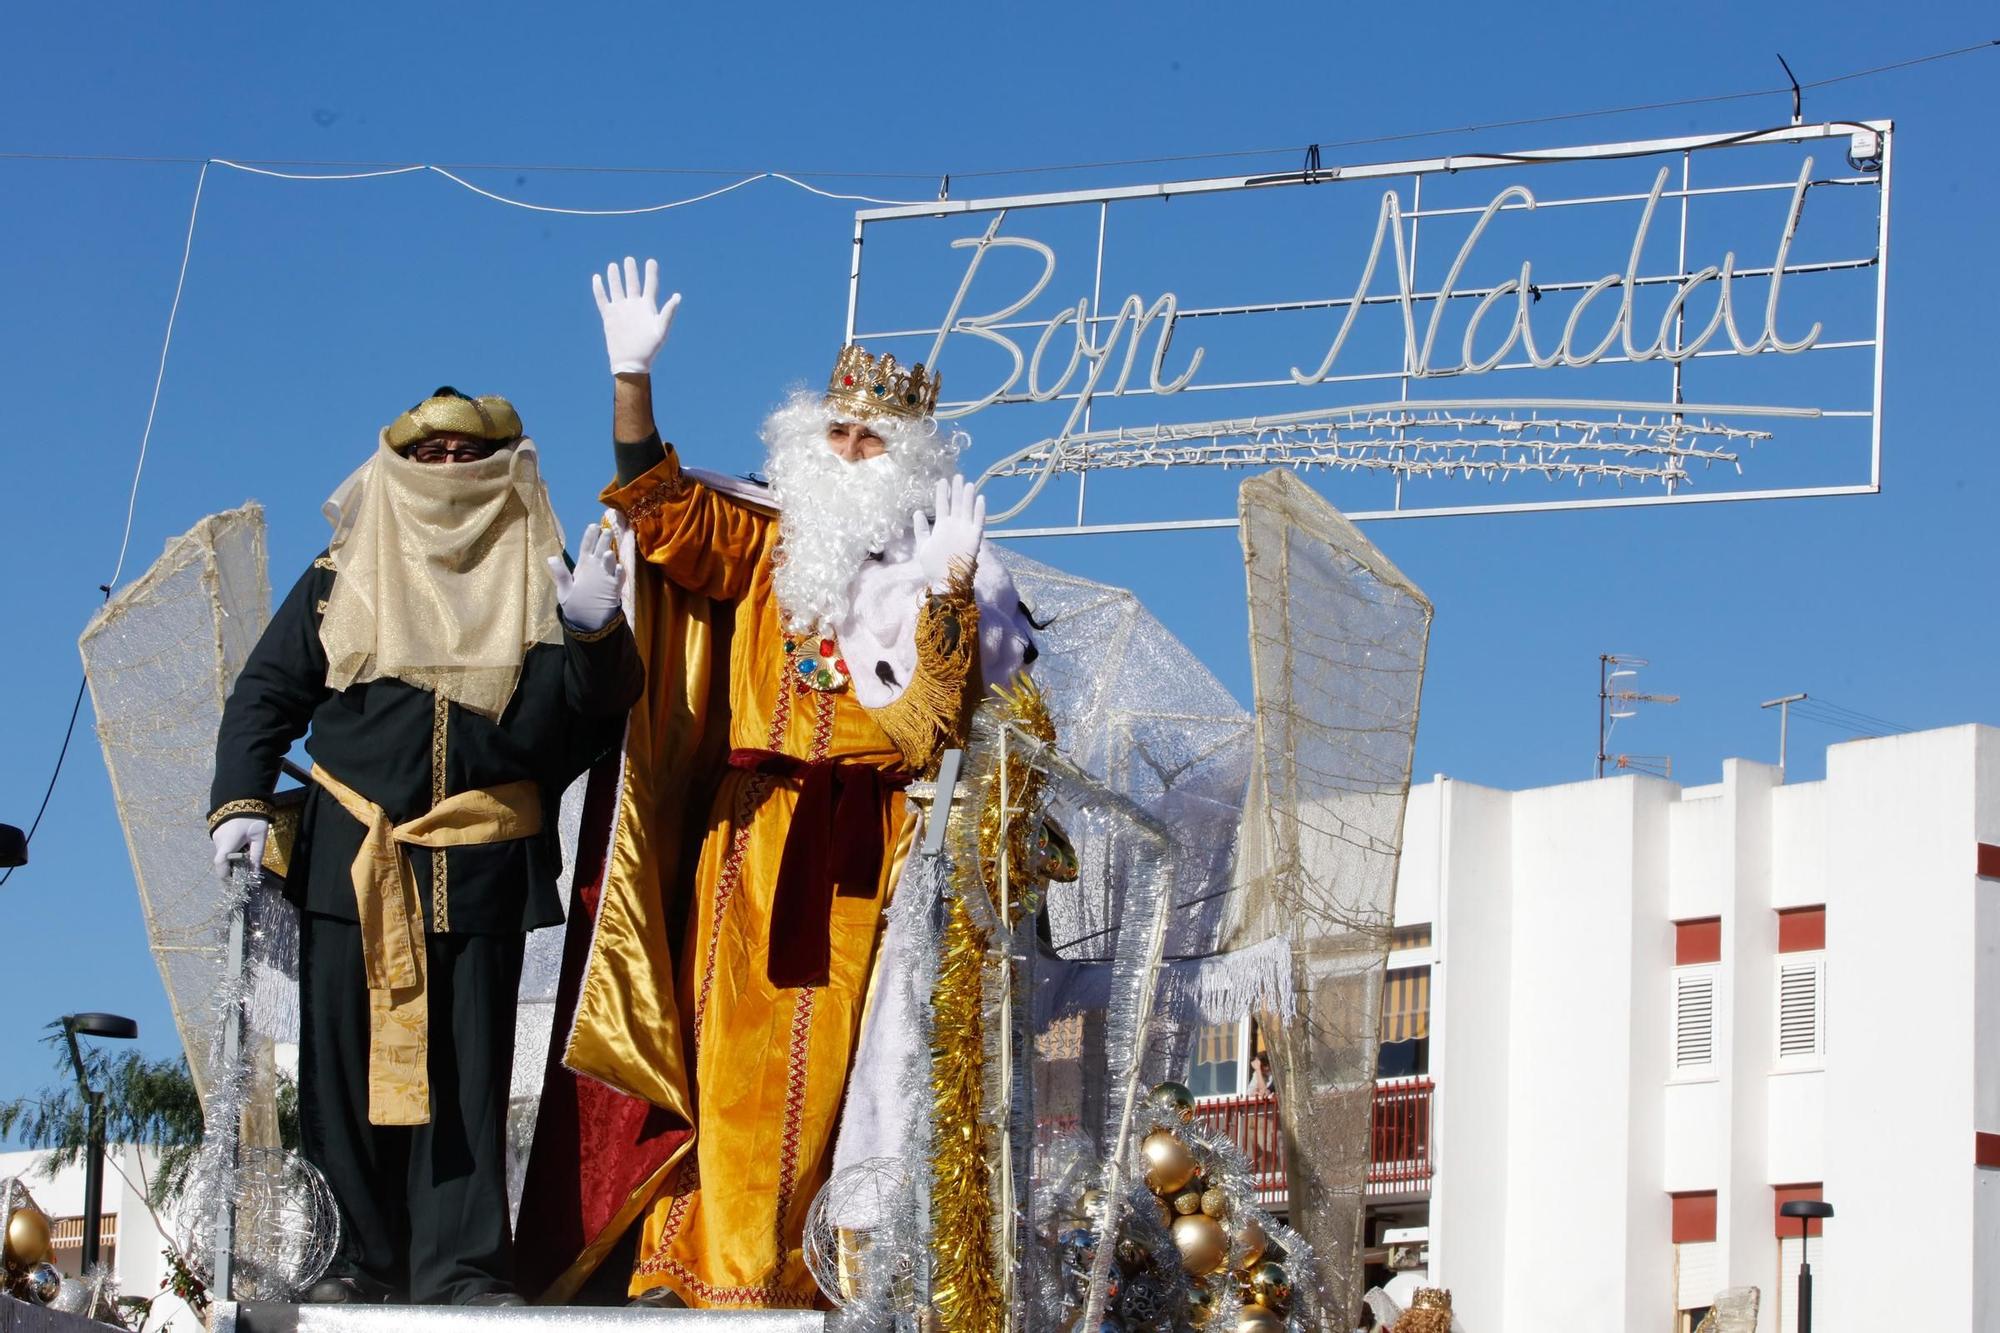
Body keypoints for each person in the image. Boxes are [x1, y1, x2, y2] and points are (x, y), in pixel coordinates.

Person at [524, 257, 1038, 1309]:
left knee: (819, 1073)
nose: (850, 452)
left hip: (853, 848)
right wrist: (631, 382)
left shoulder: (953, 575)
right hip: (740, 835)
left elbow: (927, 729)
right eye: (837, 432)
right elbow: (664, 513)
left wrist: (945, 590)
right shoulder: (764, 540)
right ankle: (691, 1263)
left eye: (872, 440)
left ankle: (769, 1275)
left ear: (911, 462)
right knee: (716, 1059)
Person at [207, 388, 643, 1306]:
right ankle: (348, 1264)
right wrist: (239, 799)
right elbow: (264, 693)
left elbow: (596, 716)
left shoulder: (541, 571)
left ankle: (464, 1272)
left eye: (468, 451)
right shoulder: (339, 572)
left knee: (468, 1083)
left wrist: (597, 633)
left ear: (505, 464)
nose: (449, 464)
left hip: (480, 864)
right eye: (431, 451)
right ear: (400, 463)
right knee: (343, 1067)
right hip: (350, 863)